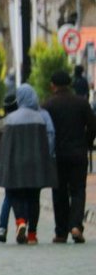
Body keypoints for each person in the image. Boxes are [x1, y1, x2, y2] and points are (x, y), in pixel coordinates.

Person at [0, 84, 56, 244]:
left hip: (17, 164)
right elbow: (49, 139)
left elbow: (7, 145)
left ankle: (20, 221)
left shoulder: (11, 119)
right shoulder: (40, 117)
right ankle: (33, 234)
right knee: (34, 198)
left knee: (18, 195)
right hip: (36, 163)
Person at [43, 70, 96, 243]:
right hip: (78, 154)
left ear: (53, 86)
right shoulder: (81, 103)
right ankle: (75, 226)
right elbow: (93, 126)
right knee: (78, 191)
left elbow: (45, 131)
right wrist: (86, 143)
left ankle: (61, 232)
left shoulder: (48, 105)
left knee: (59, 193)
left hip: (57, 156)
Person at [0, 92, 18, 242]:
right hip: (21, 164)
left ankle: (2, 227)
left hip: (5, 165)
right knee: (22, 196)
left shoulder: (0, 125)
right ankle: (22, 224)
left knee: (9, 196)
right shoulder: (20, 122)